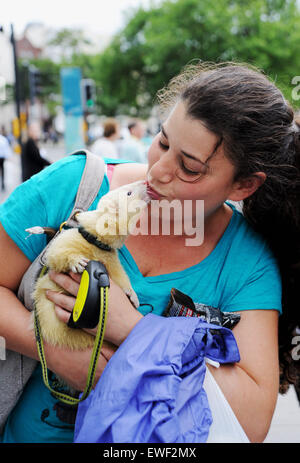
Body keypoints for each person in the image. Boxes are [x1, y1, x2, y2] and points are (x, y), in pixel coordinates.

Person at [0, 61, 299, 443]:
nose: (157, 171)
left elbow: (250, 422)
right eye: (162, 141)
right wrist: (52, 348)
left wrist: (131, 329)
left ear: (243, 185)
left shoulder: (247, 262)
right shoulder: (75, 187)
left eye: (189, 167)